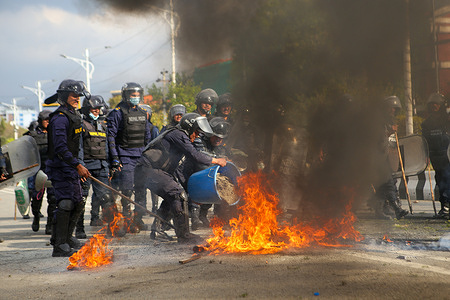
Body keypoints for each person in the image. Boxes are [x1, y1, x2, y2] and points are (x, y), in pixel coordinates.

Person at [134, 113, 227, 242]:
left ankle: (157, 231)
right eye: (196, 132)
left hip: (151, 170)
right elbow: (195, 155)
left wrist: (189, 189)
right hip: (147, 170)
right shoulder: (178, 135)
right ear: (189, 128)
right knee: (178, 194)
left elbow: (178, 170)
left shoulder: (179, 137)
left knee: (172, 195)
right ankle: (184, 236)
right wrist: (216, 161)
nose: (197, 136)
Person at [44, 79, 91, 257]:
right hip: (60, 167)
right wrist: (78, 165)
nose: (77, 98)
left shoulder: (73, 115)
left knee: (78, 201)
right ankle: (59, 244)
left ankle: (67, 238)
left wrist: (78, 165)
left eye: (78, 96)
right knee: (65, 203)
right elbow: (60, 148)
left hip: (70, 166)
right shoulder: (60, 118)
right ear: (64, 96)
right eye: (74, 95)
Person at [107, 82, 152, 230]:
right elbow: (111, 136)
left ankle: (137, 219)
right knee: (127, 190)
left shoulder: (142, 113)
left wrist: (148, 155)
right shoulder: (117, 113)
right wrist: (115, 158)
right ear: (126, 96)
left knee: (141, 189)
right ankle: (126, 220)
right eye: (133, 95)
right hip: (125, 156)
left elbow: (147, 137)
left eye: (138, 95)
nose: (136, 98)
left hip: (140, 156)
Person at [76, 95, 114, 239]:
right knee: (82, 199)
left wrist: (110, 165)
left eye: (98, 108)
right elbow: (78, 147)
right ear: (87, 109)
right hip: (86, 168)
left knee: (106, 198)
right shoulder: (81, 124)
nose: (97, 111)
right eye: (94, 108)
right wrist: (80, 166)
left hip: (102, 167)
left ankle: (111, 227)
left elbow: (108, 147)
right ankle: (79, 229)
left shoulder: (103, 125)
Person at [188, 117, 232, 230]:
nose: (218, 140)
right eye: (216, 136)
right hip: (192, 174)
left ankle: (203, 215)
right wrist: (217, 159)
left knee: (218, 182)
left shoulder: (220, 148)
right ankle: (194, 217)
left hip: (208, 174)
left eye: (221, 138)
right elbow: (200, 156)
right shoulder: (199, 141)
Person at [373, 96, 409, 220]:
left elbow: (392, 142)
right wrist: (388, 132)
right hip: (377, 156)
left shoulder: (391, 121)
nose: (393, 110)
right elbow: (375, 137)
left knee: (385, 184)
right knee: (387, 182)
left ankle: (382, 210)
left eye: (395, 109)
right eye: (390, 108)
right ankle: (396, 209)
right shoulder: (378, 120)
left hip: (388, 157)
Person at [24, 110, 57, 234]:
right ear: (40, 121)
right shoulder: (31, 136)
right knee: (36, 198)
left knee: (53, 199)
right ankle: (36, 216)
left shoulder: (55, 133)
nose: (48, 123)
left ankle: (50, 225)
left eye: (50, 120)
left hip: (52, 170)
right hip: (38, 171)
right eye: (46, 121)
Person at [421, 93, 450, 219]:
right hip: (435, 156)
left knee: (448, 180)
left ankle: (447, 207)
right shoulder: (427, 123)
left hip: (447, 154)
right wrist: (426, 155)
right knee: (440, 181)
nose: (434, 106)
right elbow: (424, 141)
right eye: (432, 104)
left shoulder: (447, 119)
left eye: (437, 104)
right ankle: (444, 206)